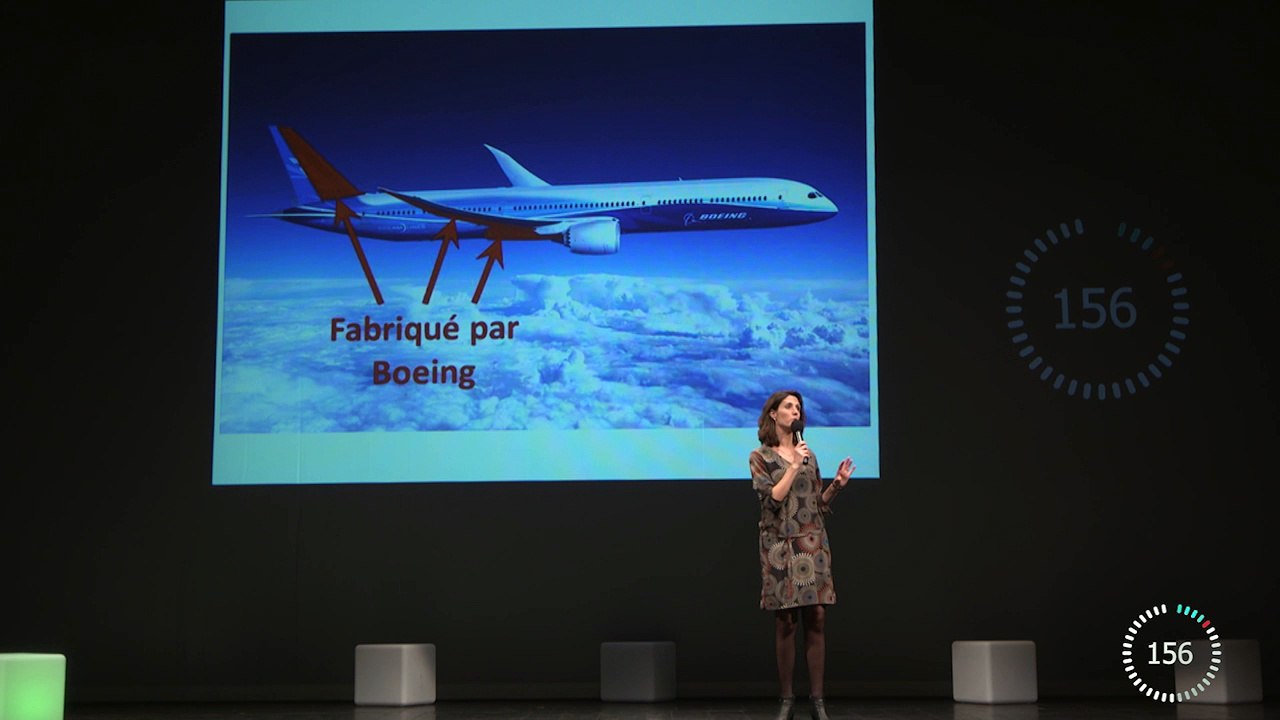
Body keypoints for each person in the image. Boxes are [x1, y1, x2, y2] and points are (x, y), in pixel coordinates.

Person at [750, 390, 854, 720]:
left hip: (812, 543)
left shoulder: (809, 456)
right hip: (779, 545)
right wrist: (794, 465)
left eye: (798, 407)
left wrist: (836, 485)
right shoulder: (760, 457)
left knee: (818, 616)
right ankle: (786, 700)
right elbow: (774, 498)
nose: (795, 411)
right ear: (773, 414)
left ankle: (818, 701)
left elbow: (816, 505)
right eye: (789, 406)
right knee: (785, 621)